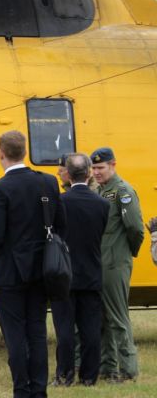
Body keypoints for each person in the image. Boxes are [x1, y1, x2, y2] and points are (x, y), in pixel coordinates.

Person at [0, 131, 66, 398]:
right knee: (37, 332)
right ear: (25, 152)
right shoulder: (48, 183)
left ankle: (21, 389)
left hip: (9, 271)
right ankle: (39, 390)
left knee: (15, 335)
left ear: (1, 153)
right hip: (42, 269)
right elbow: (60, 224)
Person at [49, 153, 109, 386]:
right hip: (92, 273)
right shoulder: (102, 204)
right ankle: (89, 376)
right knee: (90, 330)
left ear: (68, 174)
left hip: (64, 274)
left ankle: (64, 375)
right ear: (88, 173)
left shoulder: (60, 202)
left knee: (64, 329)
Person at [91, 147, 144, 382]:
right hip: (101, 263)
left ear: (113, 165)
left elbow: (135, 228)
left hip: (115, 264)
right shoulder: (101, 192)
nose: (96, 172)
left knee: (118, 318)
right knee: (102, 318)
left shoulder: (123, 191)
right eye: (93, 168)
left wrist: (126, 253)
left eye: (100, 167)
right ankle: (108, 367)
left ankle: (128, 370)